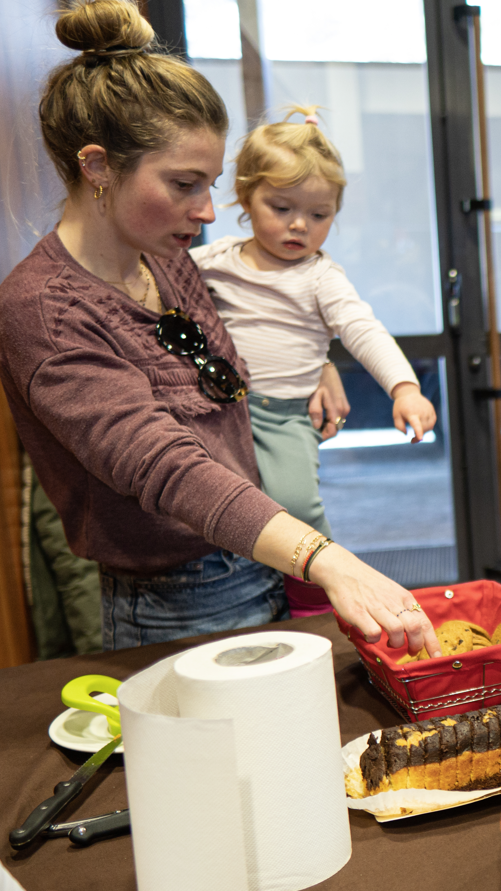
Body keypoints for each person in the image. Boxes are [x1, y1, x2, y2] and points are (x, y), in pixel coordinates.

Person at [0, 0, 437, 655]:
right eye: (183, 184)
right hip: (180, 599)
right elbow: (165, 464)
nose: (207, 211)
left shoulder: (166, 254)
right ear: (97, 167)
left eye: (209, 183)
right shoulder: (46, 310)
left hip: (262, 555)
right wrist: (326, 557)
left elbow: (240, 334)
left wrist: (315, 359)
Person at [192, 106, 437, 616]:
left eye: (320, 215)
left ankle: (314, 599)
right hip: (220, 409)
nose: (299, 225)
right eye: (281, 208)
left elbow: (361, 327)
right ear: (244, 197)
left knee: (297, 507)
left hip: (283, 415)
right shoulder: (213, 262)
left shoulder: (321, 276)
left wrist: (403, 387)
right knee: (218, 502)